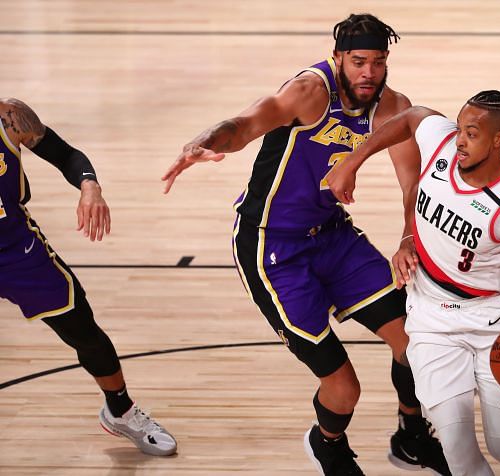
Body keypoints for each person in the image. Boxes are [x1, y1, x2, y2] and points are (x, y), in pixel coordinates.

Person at [161, 13, 450, 476]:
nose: (368, 73)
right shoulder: (309, 92)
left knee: (417, 342)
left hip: (332, 235)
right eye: (358, 62)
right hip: (270, 246)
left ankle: (410, 436)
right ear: (338, 58)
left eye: (378, 62)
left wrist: (405, 239)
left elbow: (412, 182)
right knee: (344, 388)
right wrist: (203, 141)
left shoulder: (393, 106)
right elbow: (244, 123)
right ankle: (327, 444)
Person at [327, 90, 500, 475]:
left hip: (491, 319)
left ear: (498, 139)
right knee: (457, 449)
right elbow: (410, 117)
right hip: (430, 316)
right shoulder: (441, 141)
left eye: (471, 134)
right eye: (460, 128)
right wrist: (354, 161)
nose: (459, 140)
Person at [0, 98, 177, 456]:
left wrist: (89, 185)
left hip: (15, 251)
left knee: (83, 329)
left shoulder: (9, 118)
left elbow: (66, 155)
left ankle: (121, 410)